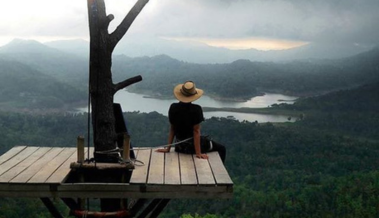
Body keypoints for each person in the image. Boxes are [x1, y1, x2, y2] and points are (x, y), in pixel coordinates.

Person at [156, 81, 226, 162]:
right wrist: (198, 153)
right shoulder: (196, 109)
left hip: (179, 147)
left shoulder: (173, 107)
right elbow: (196, 131)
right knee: (222, 149)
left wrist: (168, 148)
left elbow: (172, 129)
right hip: (191, 148)